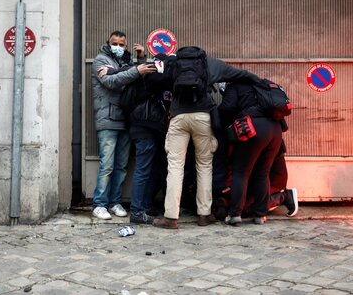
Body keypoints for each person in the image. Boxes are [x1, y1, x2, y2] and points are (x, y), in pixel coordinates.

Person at [153, 46, 259, 229]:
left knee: (175, 166)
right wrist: (260, 82)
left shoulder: (175, 63)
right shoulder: (209, 63)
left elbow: (157, 79)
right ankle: (204, 214)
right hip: (203, 117)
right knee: (204, 165)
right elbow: (239, 75)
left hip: (178, 117)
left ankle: (170, 217)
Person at [91, 30, 156, 220]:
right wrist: (135, 70)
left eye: (121, 44)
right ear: (108, 43)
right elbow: (111, 81)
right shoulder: (100, 61)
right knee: (107, 165)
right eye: (115, 43)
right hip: (108, 119)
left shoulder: (126, 62)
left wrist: (141, 58)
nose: (118, 47)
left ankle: (114, 202)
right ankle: (99, 204)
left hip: (126, 119)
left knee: (121, 166)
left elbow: (139, 78)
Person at [100, 53, 171, 224]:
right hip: (145, 127)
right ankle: (138, 211)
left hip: (141, 126)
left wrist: (111, 70)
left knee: (149, 169)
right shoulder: (151, 76)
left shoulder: (140, 73)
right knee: (143, 169)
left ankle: (144, 207)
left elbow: (125, 70)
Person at [218, 81, 283, 226]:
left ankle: (235, 214)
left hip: (253, 127)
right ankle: (260, 215)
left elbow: (227, 107)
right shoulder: (262, 85)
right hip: (275, 129)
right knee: (263, 173)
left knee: (241, 173)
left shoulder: (234, 85)